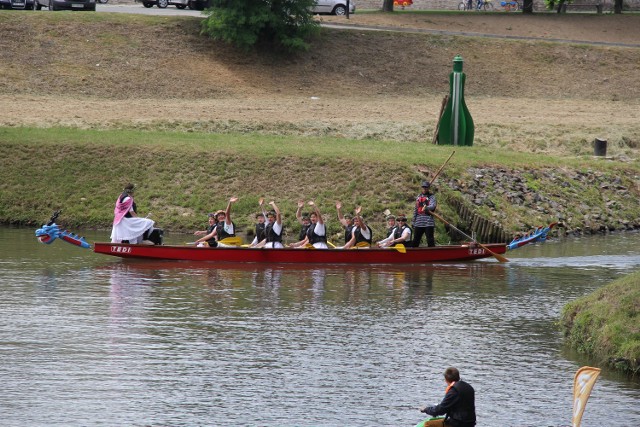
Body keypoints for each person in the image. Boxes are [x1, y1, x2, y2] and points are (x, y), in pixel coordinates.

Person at [413, 181, 437, 247]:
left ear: (428, 188)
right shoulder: (418, 197)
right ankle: (414, 254)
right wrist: (413, 221)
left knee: (430, 240)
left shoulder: (432, 197)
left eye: (426, 187)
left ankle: (432, 254)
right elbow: (415, 209)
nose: (424, 189)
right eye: (423, 187)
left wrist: (427, 207)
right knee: (415, 240)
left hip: (428, 221)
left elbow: (433, 206)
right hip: (418, 221)